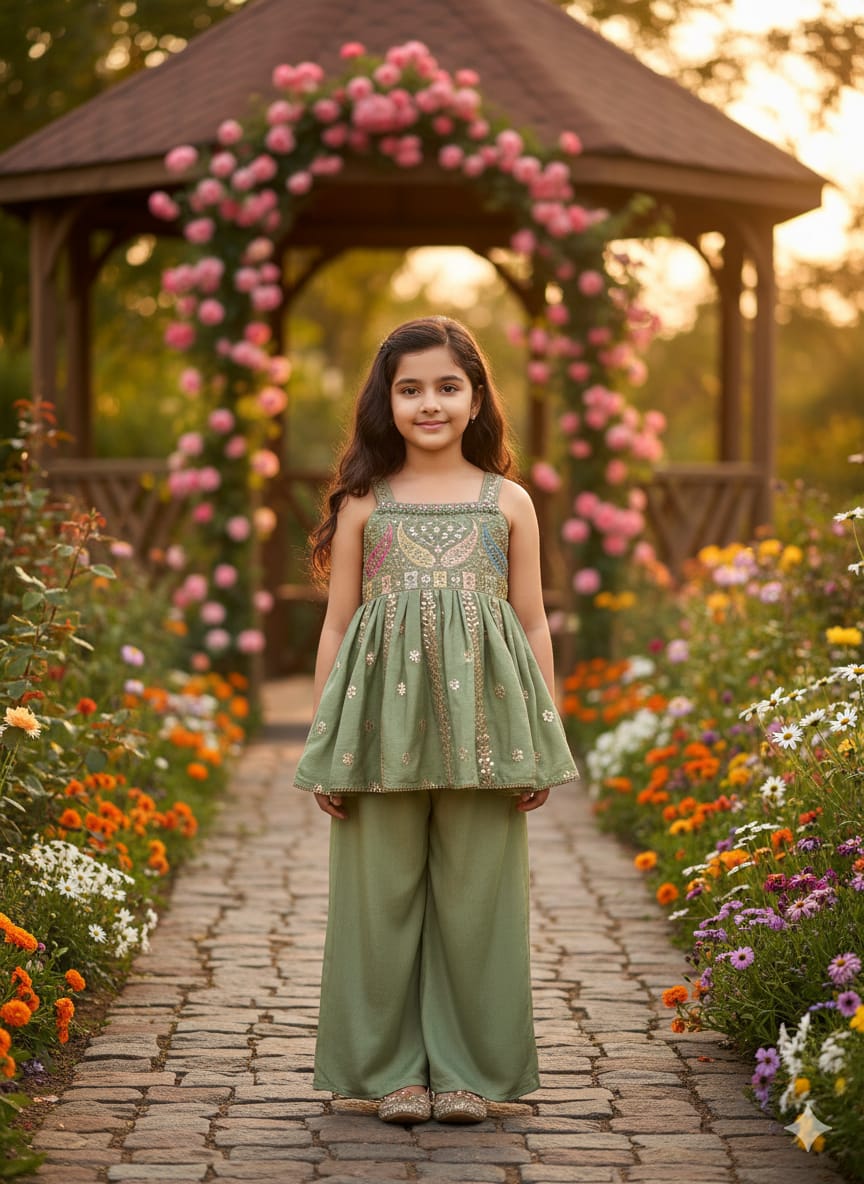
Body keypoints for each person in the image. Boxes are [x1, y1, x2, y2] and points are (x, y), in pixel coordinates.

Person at [294, 315, 577, 1125]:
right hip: (380, 730)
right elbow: (338, 625)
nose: (429, 403)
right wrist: (327, 743)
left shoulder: (508, 503)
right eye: (409, 388)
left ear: (476, 396)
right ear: (386, 401)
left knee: (477, 898)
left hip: (487, 728)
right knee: (376, 897)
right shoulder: (365, 503)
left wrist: (539, 733)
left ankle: (468, 1072)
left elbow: (530, 622)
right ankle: (390, 1075)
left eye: (447, 387)